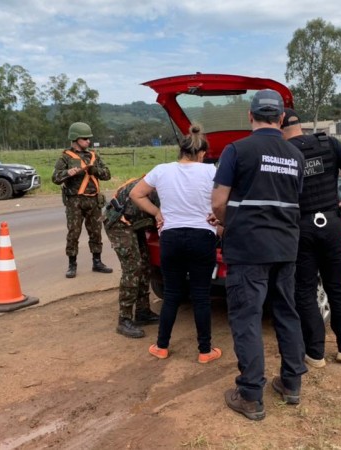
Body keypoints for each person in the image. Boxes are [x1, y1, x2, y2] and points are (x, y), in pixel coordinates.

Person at [211, 90, 306, 421]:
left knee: (247, 318)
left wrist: (227, 224)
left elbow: (218, 202)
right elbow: (293, 201)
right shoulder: (296, 156)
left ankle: (251, 395)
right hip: (285, 247)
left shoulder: (236, 150)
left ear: (250, 117)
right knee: (287, 312)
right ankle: (291, 384)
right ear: (281, 119)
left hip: (248, 248)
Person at [281, 107, 341, 367]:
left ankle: (315, 353)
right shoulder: (327, 142)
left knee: (305, 290)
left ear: (279, 126)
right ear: (300, 124)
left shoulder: (282, 153)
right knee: (338, 285)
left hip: (300, 227)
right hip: (331, 222)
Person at [130, 125, 222, 364]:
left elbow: (136, 194)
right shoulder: (211, 171)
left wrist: (157, 212)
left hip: (171, 238)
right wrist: (217, 217)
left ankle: (161, 346)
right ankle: (205, 351)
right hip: (202, 237)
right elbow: (227, 199)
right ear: (201, 153)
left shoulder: (161, 170)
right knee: (201, 297)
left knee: (171, 295)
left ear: (180, 150)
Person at [52, 122, 113, 278]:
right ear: (75, 138)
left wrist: (95, 170)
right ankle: (72, 264)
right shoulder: (65, 157)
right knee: (74, 233)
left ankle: (97, 262)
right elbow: (55, 178)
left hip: (93, 200)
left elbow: (107, 174)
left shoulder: (93, 156)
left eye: (88, 139)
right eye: (85, 138)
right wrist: (68, 173)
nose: (88, 142)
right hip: (75, 201)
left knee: (96, 232)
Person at [103, 176, 161, 338]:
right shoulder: (162, 188)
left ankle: (142, 312)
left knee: (145, 265)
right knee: (133, 268)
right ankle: (124, 320)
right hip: (119, 223)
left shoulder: (165, 183)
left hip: (135, 223)